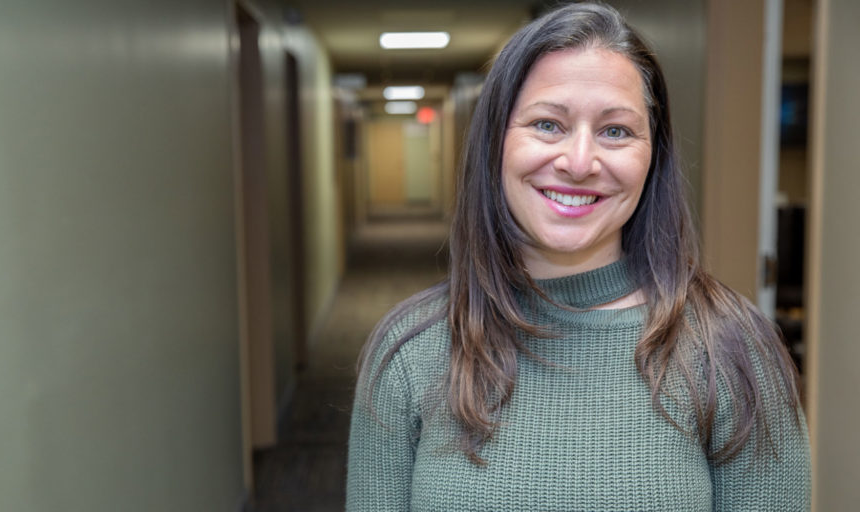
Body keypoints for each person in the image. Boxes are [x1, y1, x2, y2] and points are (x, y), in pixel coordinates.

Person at [346, 3, 811, 510]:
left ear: (652, 154)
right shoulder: (409, 351)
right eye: (547, 124)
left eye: (616, 131)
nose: (579, 162)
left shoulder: (734, 352)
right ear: (494, 144)